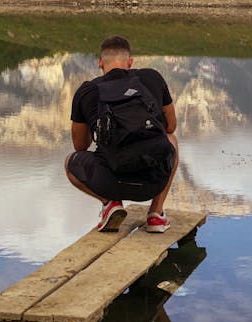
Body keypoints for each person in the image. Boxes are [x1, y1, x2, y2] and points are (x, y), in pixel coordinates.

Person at [65, 35, 179, 233]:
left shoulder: (87, 91)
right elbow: (171, 126)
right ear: (131, 61)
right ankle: (156, 214)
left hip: (110, 182)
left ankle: (110, 203)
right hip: (153, 182)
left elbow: (80, 146)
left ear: (100, 63)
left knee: (70, 162)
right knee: (171, 140)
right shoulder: (152, 77)